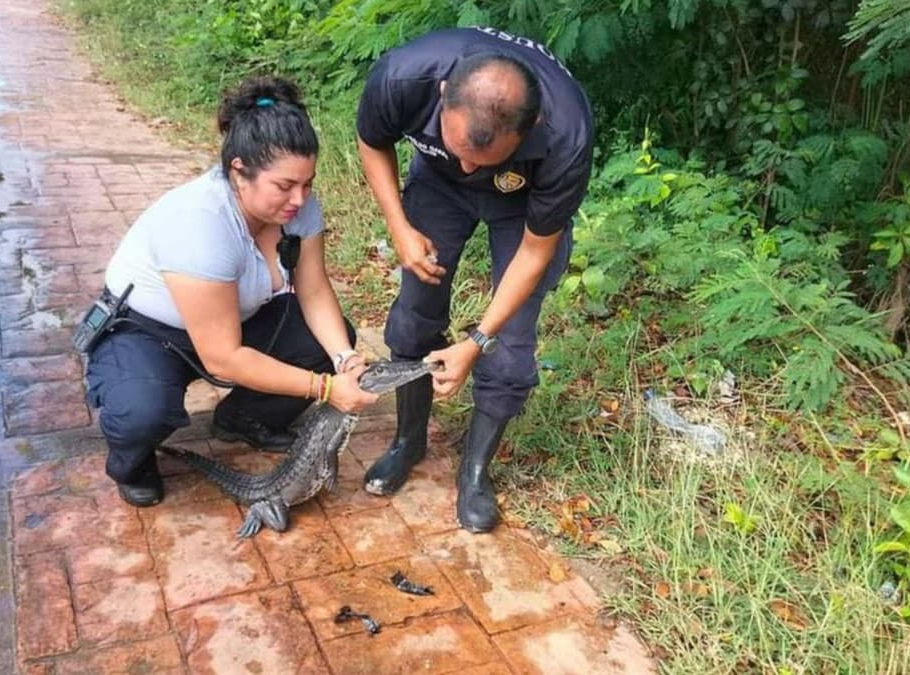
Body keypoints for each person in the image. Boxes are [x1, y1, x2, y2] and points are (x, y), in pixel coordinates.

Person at [84, 77, 377, 507]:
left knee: (325, 338)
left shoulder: (298, 207)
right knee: (140, 412)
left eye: (308, 183)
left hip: (234, 320)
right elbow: (222, 356)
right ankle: (134, 458)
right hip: (149, 332)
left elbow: (313, 291)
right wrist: (327, 389)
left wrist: (344, 360)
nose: (300, 198)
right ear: (239, 171)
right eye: (284, 186)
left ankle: (242, 418)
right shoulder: (201, 222)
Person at [355, 27, 594, 533]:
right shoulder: (405, 75)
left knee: (511, 343)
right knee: (415, 314)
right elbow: (372, 140)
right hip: (435, 189)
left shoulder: (566, 134)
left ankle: (475, 472)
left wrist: (477, 340)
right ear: (443, 96)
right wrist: (400, 227)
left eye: (482, 159)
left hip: (522, 204)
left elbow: (534, 252)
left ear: (531, 129)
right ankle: (408, 441)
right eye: (458, 145)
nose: (468, 165)